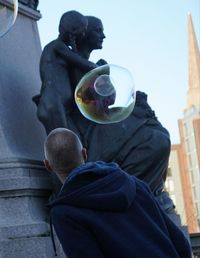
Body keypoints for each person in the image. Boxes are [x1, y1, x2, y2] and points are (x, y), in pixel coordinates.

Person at [44, 128, 192, 258]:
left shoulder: (65, 214)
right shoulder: (136, 184)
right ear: (84, 153)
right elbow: (180, 243)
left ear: (48, 165)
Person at [33, 11, 97, 134]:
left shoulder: (61, 48)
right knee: (64, 145)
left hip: (58, 105)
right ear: (72, 30)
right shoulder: (57, 46)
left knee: (69, 144)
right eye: (82, 31)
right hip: (53, 103)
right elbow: (84, 63)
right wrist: (98, 68)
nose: (83, 35)